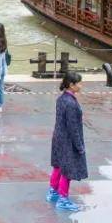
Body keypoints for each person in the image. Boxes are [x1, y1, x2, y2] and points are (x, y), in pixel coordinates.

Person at [48, 71, 87, 212]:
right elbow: (73, 127)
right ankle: (63, 198)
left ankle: (53, 191)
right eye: (79, 83)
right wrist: (79, 146)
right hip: (67, 141)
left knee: (58, 165)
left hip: (58, 137)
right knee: (67, 170)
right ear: (72, 85)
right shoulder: (71, 103)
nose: (81, 85)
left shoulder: (61, 99)